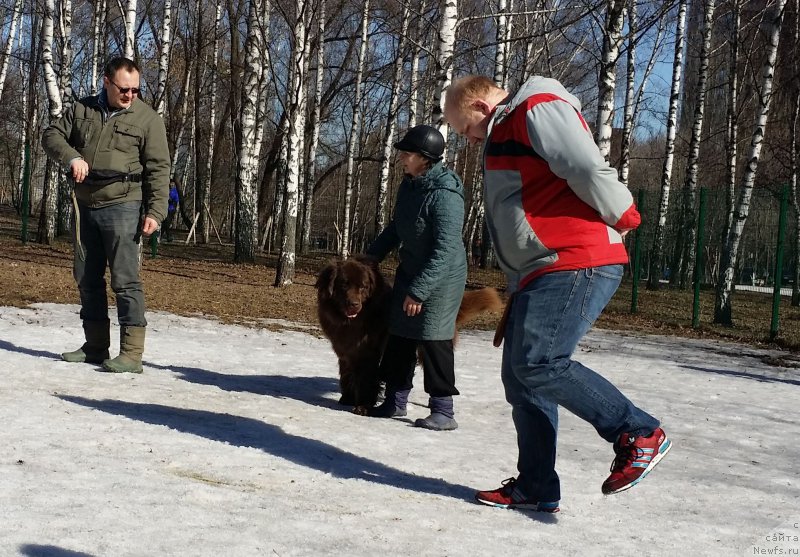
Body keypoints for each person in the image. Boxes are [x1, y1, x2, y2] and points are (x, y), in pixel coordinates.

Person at [443, 75, 670, 510]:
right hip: (541, 268)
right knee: (522, 377)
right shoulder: (510, 124)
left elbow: (583, 166)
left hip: (574, 258)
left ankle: (638, 433)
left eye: (464, 131)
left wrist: (621, 210)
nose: (469, 142)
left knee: (539, 362)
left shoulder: (535, 108)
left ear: (479, 108)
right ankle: (536, 486)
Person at [42, 57, 170, 374]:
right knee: (87, 278)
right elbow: (51, 135)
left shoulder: (147, 119)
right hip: (85, 206)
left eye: (136, 90)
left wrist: (156, 210)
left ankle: (131, 354)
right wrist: (71, 156)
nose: (130, 96)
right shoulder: (82, 109)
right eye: (124, 89)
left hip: (125, 203)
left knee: (125, 280)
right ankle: (96, 347)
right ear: (107, 82)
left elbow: (159, 168)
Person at [365, 124, 468, 431]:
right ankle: (395, 401)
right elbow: (397, 228)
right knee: (399, 334)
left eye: (407, 154)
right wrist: (370, 258)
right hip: (412, 269)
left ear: (425, 158)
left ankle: (443, 410)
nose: (402, 159)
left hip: (443, 276)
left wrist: (420, 291)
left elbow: (446, 249)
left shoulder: (446, 195)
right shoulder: (409, 186)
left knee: (433, 337)